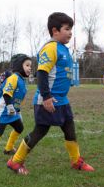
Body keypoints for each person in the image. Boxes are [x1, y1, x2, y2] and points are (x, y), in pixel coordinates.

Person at [7, 12, 94, 175]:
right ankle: (15, 161)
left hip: (62, 100)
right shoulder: (51, 48)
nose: (70, 33)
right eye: (67, 29)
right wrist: (46, 97)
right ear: (55, 31)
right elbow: (42, 73)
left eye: (71, 29)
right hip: (47, 100)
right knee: (40, 131)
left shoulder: (64, 49)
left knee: (70, 128)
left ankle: (76, 161)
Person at [0, 54, 32, 161]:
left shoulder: (22, 81)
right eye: (27, 65)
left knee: (19, 128)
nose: (30, 68)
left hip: (13, 110)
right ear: (20, 66)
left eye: (30, 66)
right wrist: (10, 107)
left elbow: (18, 98)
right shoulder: (14, 78)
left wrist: (17, 109)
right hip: (3, 109)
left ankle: (9, 148)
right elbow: (7, 94)